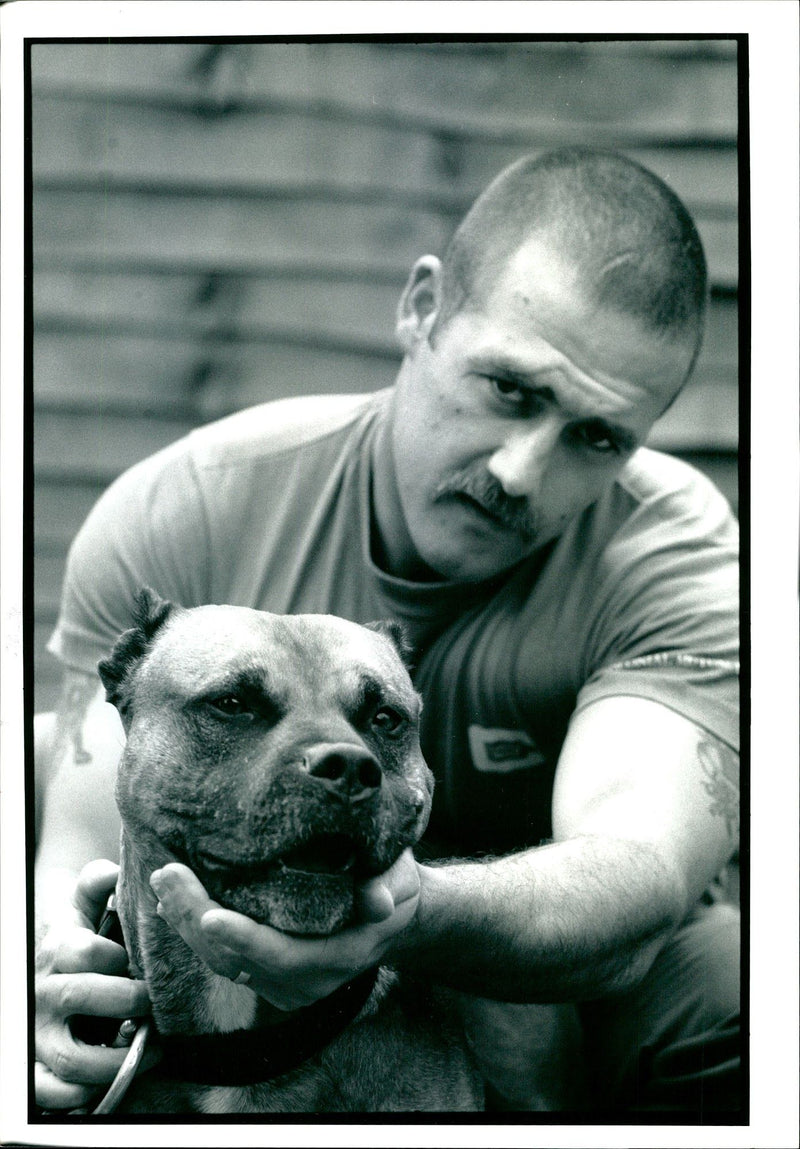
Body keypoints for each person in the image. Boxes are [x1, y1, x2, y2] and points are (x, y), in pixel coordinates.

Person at [34, 147, 740, 1113]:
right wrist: (55, 993)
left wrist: (402, 910)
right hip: (225, 965)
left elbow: (642, 876)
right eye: (511, 389)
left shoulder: (674, 556)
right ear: (421, 309)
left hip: (568, 985)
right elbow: (76, 851)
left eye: (598, 438)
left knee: (740, 978)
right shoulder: (183, 511)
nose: (524, 471)